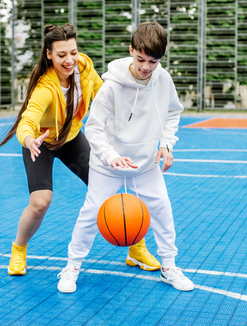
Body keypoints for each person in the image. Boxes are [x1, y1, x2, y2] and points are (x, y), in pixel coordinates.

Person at [0, 24, 159, 276]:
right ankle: (19, 249)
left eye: (73, 52)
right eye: (61, 55)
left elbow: (102, 96)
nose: (69, 60)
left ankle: (136, 247)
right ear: (49, 54)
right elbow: (28, 120)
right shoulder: (44, 87)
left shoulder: (83, 66)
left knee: (109, 186)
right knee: (40, 203)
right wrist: (28, 140)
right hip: (41, 143)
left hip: (71, 138)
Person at [57, 22, 194, 293]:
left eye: (153, 61)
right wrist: (110, 156)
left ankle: (169, 267)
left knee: (163, 211)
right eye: (140, 59)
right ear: (131, 50)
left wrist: (167, 143)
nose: (145, 67)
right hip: (108, 166)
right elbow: (93, 127)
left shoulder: (164, 79)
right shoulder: (112, 86)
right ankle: (72, 266)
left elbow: (173, 112)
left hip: (145, 164)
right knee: (90, 214)